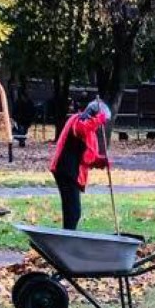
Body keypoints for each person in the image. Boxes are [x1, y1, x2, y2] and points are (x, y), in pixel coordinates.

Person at [49, 98, 109, 230]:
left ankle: (68, 237)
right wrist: (98, 119)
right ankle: (67, 240)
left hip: (72, 171)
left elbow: (87, 157)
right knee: (73, 211)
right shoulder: (78, 119)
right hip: (65, 170)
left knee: (73, 211)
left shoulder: (91, 131)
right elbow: (81, 129)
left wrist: (101, 161)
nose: (101, 125)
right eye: (102, 121)